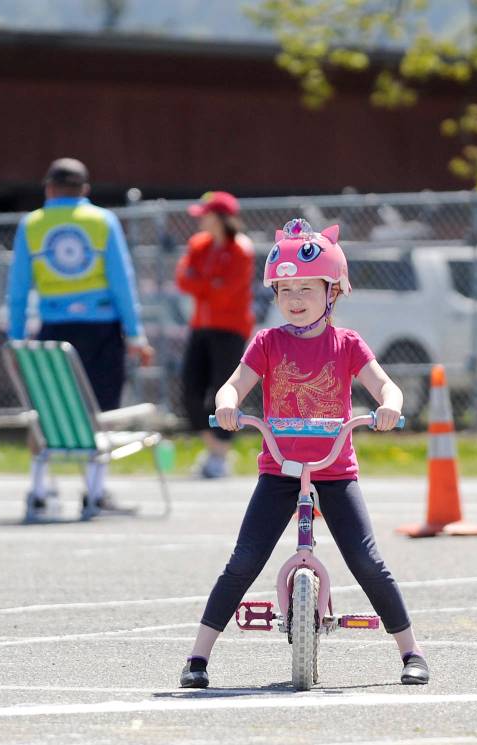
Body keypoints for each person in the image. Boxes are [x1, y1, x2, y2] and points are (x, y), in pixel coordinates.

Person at [178, 218, 429, 688]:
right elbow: (233, 385)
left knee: (366, 559)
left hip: (335, 470)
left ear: (333, 292)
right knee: (244, 559)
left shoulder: (347, 344)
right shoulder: (267, 343)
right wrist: (227, 405)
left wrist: (389, 406)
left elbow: (384, 385)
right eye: (285, 290)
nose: (295, 299)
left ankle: (411, 651)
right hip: (280, 469)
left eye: (306, 289)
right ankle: (197, 658)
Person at [7, 157, 153, 520]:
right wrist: (135, 334)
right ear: (85, 190)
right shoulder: (103, 221)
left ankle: (39, 491)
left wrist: (15, 340)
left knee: (47, 411)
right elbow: (122, 281)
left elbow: (18, 290)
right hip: (102, 330)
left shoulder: (31, 225)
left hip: (52, 332)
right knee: (100, 410)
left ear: (49, 188)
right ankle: (94, 492)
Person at [175, 191, 254, 479]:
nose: (201, 220)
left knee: (224, 391)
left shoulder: (240, 249)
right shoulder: (199, 244)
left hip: (230, 329)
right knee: (190, 390)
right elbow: (183, 279)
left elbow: (226, 292)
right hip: (200, 326)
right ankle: (215, 450)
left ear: (220, 218)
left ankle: (219, 454)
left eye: (206, 215)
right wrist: (210, 284)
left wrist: (203, 283)